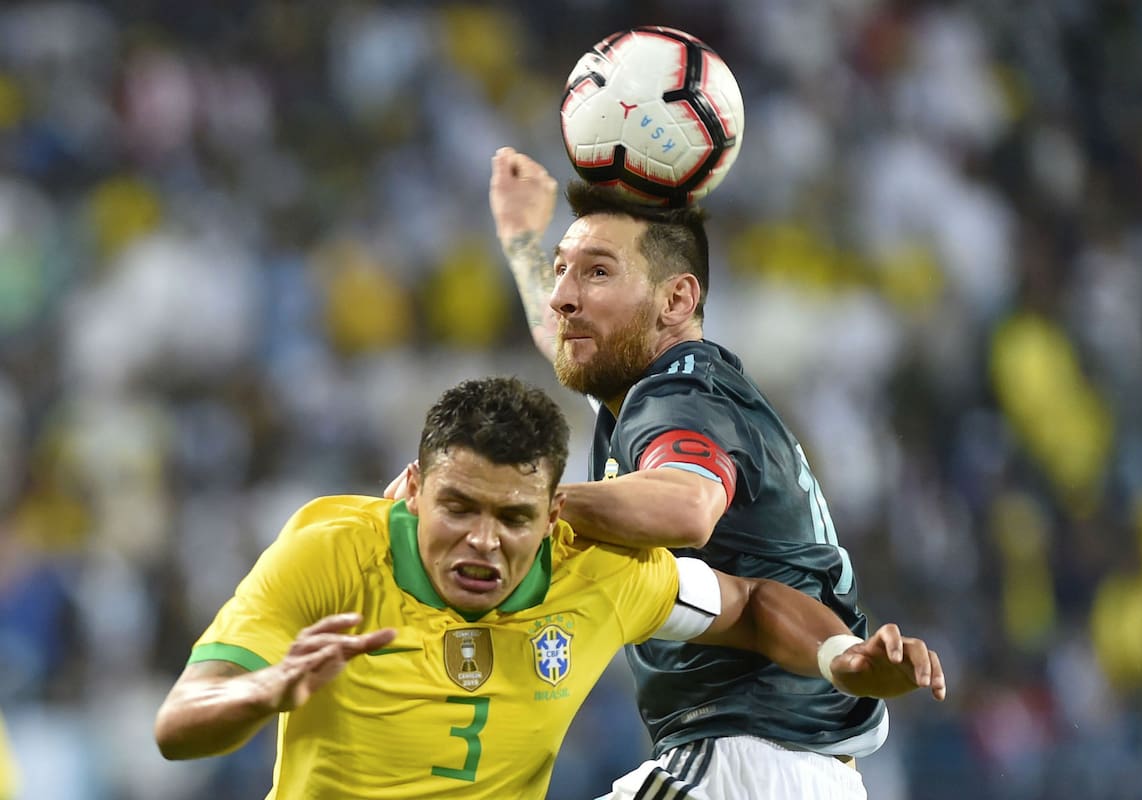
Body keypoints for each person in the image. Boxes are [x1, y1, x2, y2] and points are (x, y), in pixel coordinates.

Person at [157, 377, 944, 800]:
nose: (483, 541)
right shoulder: (330, 553)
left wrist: (843, 657)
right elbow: (179, 725)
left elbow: (748, 603)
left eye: (513, 517)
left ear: (553, 511)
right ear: (410, 489)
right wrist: (265, 689)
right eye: (457, 508)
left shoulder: (590, 567)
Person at [479, 147, 927, 798]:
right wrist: (522, 238)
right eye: (560, 271)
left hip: (742, 764)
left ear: (675, 299)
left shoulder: (675, 399)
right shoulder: (658, 383)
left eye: (596, 272)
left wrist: (524, 502)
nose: (563, 297)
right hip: (796, 769)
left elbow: (688, 506)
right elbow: (558, 332)